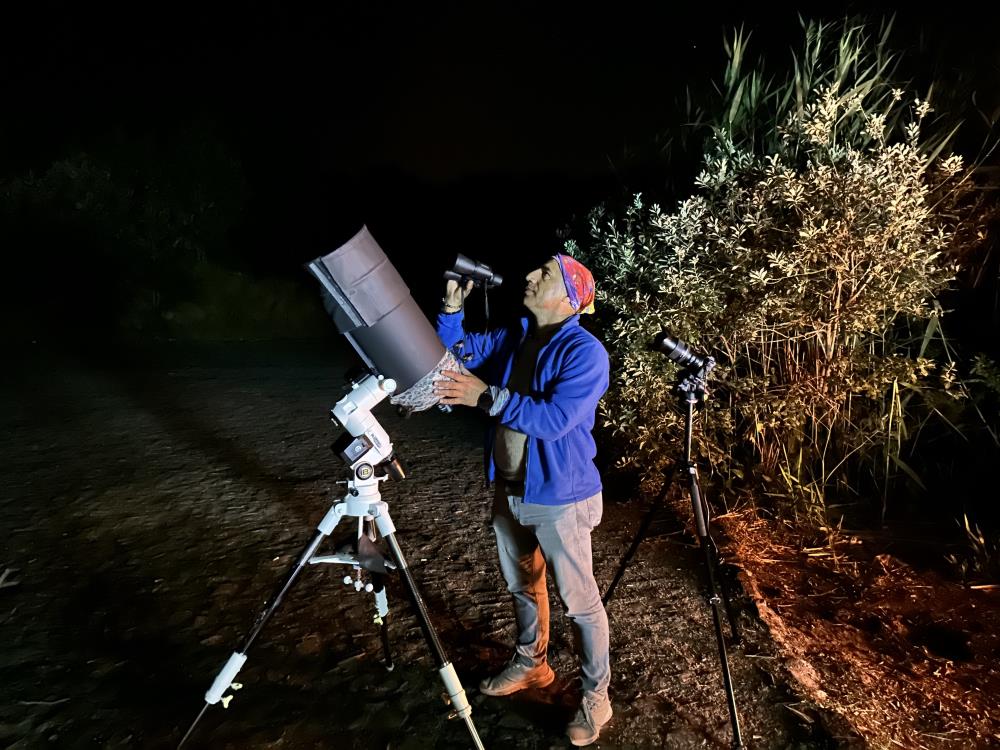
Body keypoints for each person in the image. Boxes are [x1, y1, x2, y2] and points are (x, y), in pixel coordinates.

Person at [432, 254, 612, 746]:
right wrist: (451, 314)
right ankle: (532, 665)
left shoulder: (586, 352)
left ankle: (597, 697)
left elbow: (555, 419)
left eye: (545, 274)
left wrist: (486, 397)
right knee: (522, 586)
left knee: (580, 603)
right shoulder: (516, 336)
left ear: (570, 298)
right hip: (510, 489)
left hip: (561, 496)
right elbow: (459, 356)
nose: (529, 275)